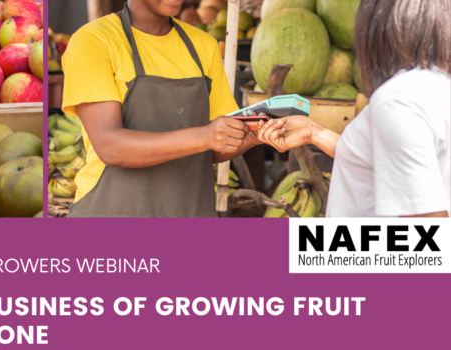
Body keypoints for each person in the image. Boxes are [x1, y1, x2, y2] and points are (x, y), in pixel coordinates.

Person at [62, 0, 262, 217]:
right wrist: (205, 135)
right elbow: (110, 146)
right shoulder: (95, 40)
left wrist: (257, 134)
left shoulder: (204, 45)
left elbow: (216, 146)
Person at [257, 0, 450, 217]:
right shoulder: (436, 86)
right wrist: (315, 132)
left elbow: (430, 233)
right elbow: (388, 163)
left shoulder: (397, 101)